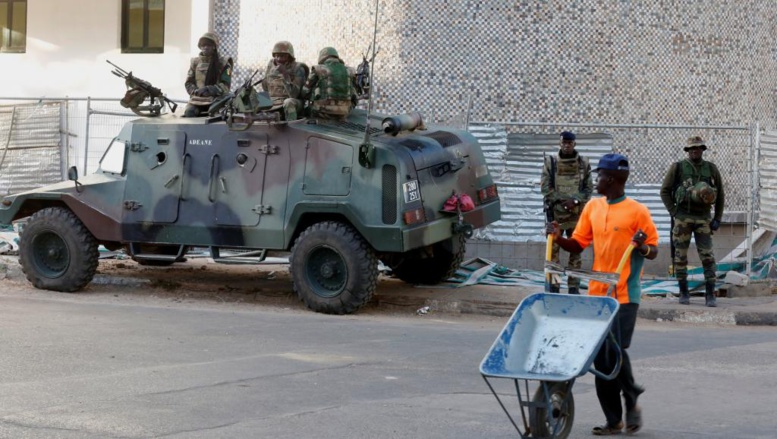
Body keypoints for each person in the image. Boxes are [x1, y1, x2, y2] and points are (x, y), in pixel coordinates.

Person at [546, 153, 657, 436]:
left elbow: (653, 250)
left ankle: (631, 397)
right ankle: (614, 420)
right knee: (601, 359)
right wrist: (558, 237)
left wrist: (642, 247)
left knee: (615, 348)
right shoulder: (592, 208)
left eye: (599, 176)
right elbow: (578, 245)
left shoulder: (637, 211)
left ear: (612, 179)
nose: (595, 181)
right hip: (597, 293)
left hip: (625, 293)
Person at [660, 136, 724, 307]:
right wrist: (674, 212)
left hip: (703, 218)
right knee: (680, 257)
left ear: (703, 149)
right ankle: (683, 292)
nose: (695, 151)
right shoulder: (678, 167)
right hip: (683, 217)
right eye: (692, 149)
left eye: (698, 148)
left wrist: (717, 218)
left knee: (708, 256)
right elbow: (664, 191)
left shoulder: (711, 169)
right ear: (687, 151)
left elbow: (720, 195)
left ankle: (710, 294)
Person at [540, 131, 593, 294]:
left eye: (570, 142)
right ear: (559, 143)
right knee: (553, 252)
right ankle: (554, 285)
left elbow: (588, 188)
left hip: (577, 216)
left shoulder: (583, 163)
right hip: (556, 214)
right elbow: (544, 187)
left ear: (574, 144)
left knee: (576, 252)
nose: (567, 145)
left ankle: (573, 286)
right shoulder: (551, 161)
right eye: (564, 142)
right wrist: (561, 201)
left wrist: (574, 201)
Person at [184, 32, 233, 117]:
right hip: (197, 99)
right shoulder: (195, 62)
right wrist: (195, 91)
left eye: (209, 45)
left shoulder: (224, 63)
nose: (205, 47)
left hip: (216, 99)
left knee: (215, 114)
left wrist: (209, 89)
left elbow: (226, 85)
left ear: (214, 47)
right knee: (189, 113)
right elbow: (188, 83)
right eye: (203, 45)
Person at [302, 47, 358, 120]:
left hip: (321, 112)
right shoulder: (350, 71)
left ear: (321, 58)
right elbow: (355, 97)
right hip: (344, 113)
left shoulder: (318, 69)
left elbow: (304, 92)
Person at [261, 41, 307, 121]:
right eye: (276, 56)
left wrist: (285, 74)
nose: (279, 59)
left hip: (294, 102)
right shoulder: (271, 66)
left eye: (282, 56)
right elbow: (266, 89)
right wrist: (270, 76)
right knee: (256, 99)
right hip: (274, 101)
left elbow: (294, 94)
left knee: (288, 102)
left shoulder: (298, 68)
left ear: (289, 56)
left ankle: (291, 128)